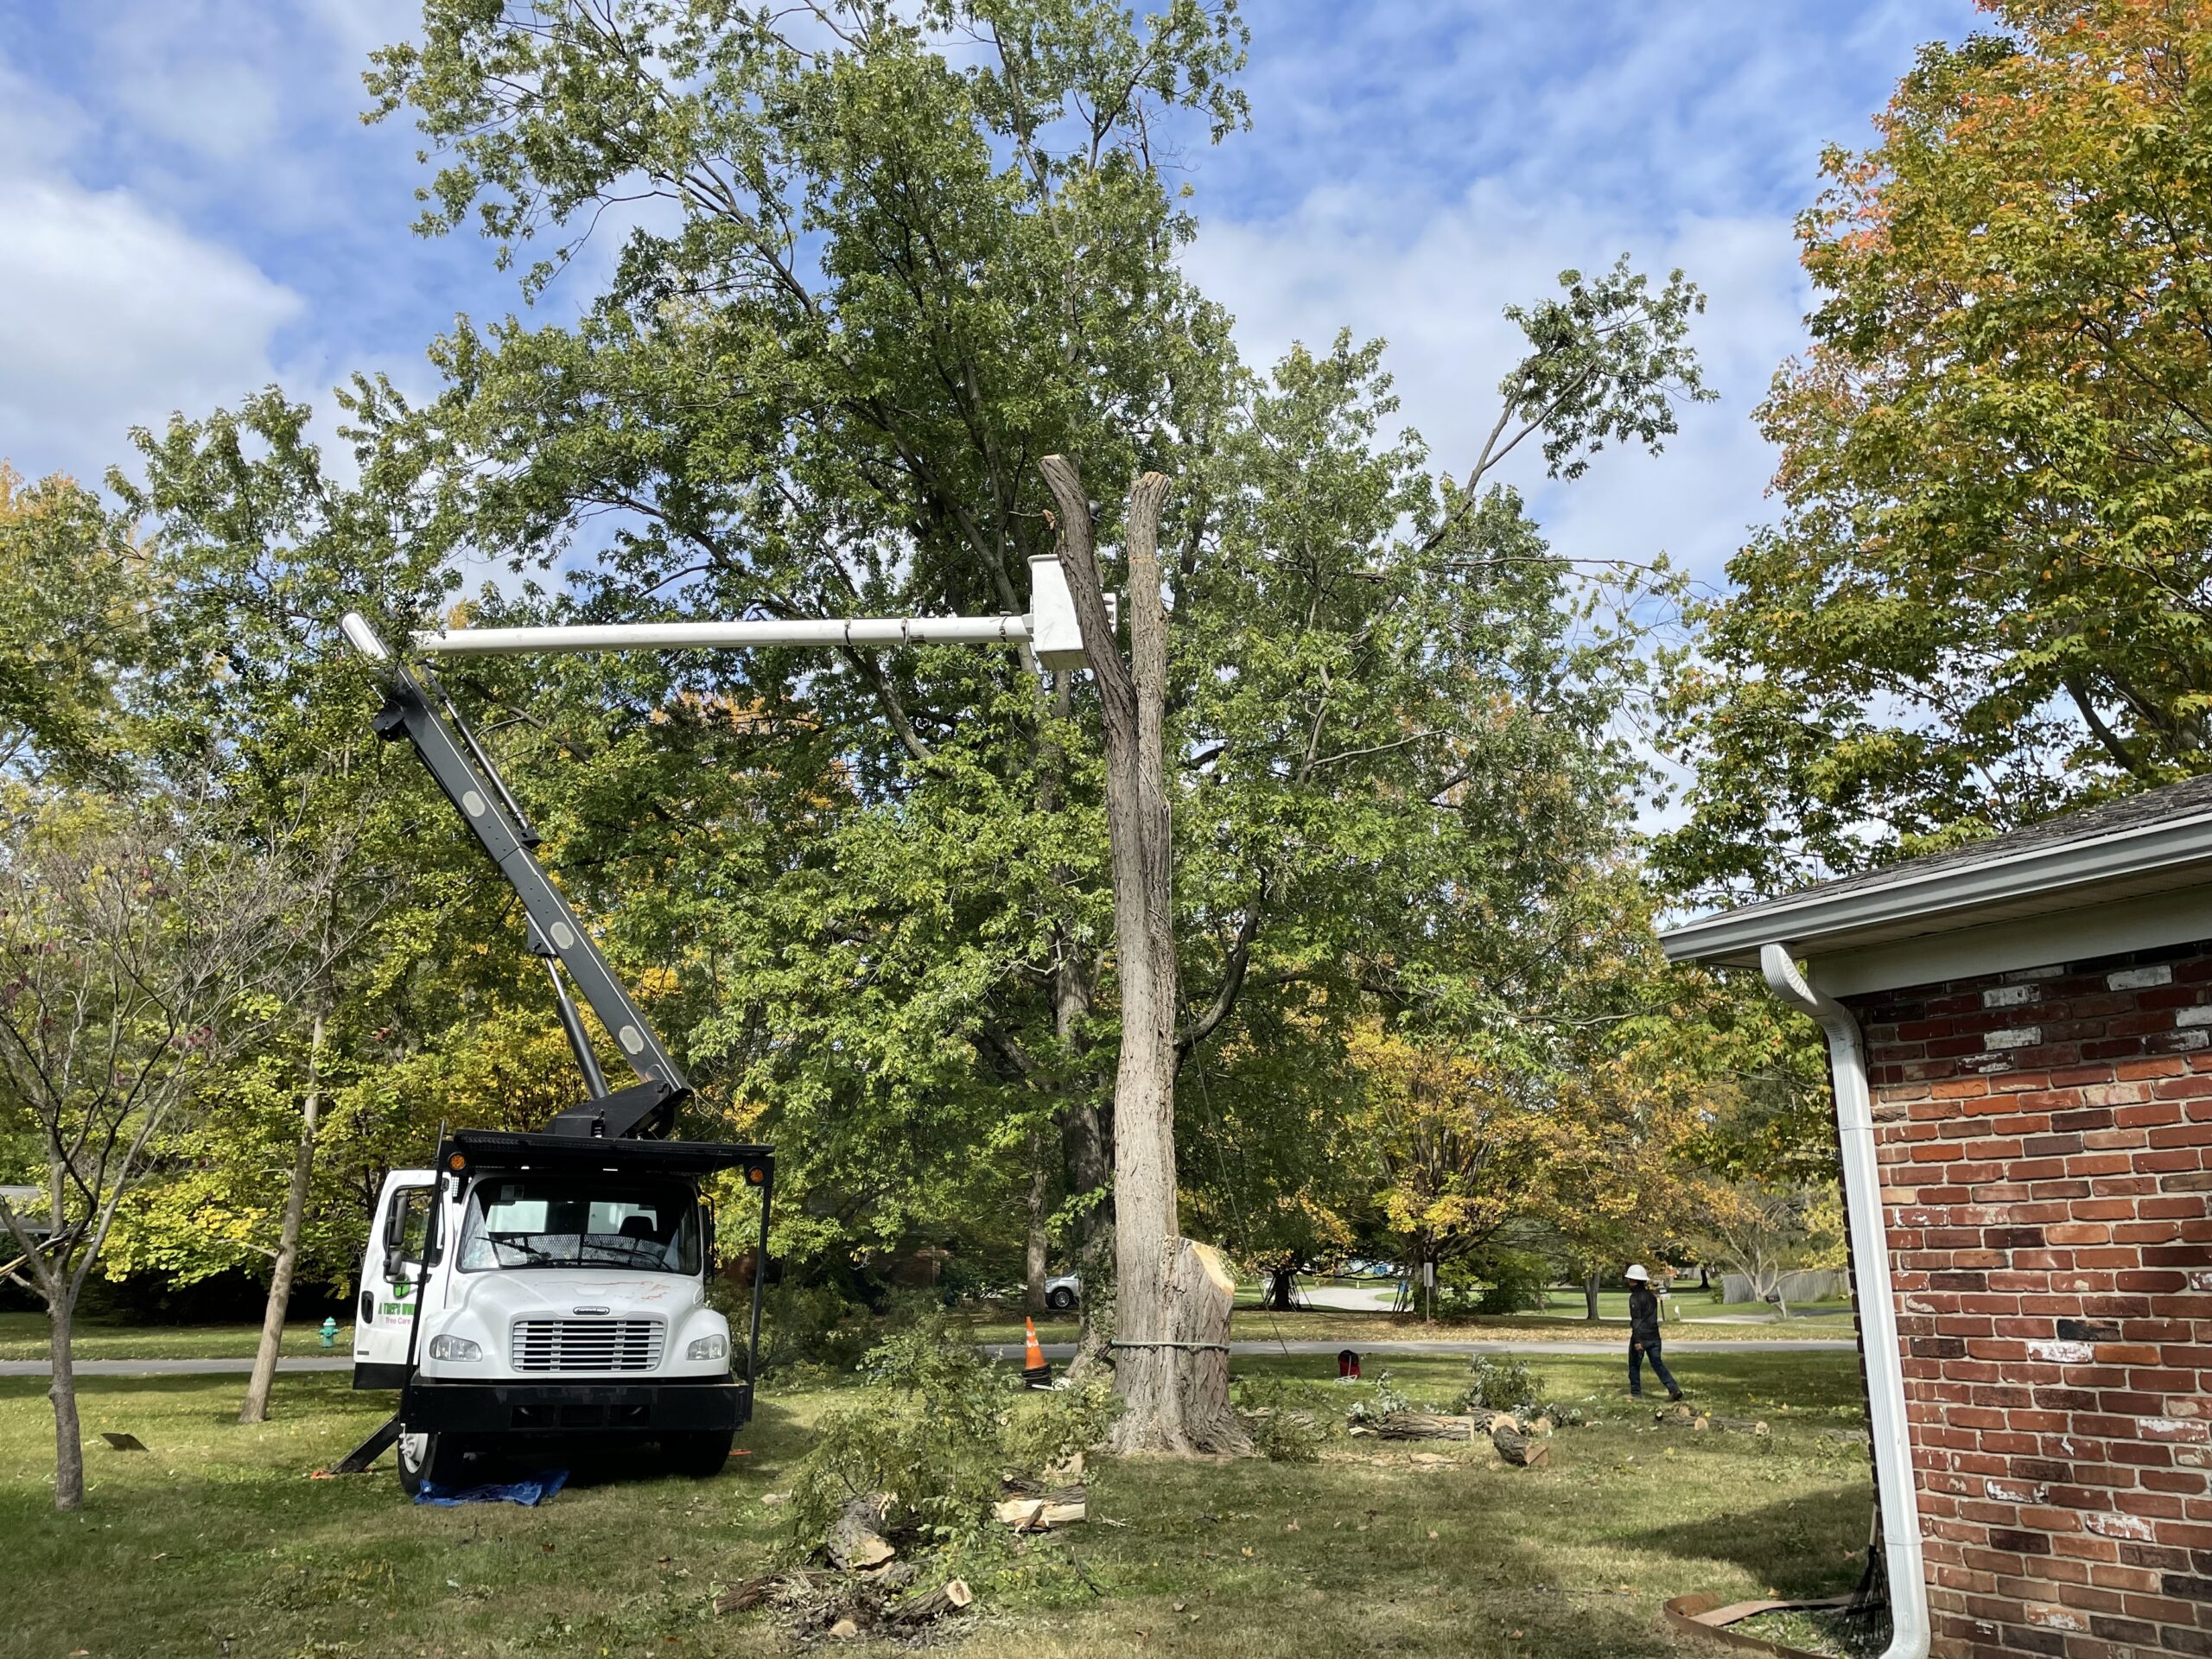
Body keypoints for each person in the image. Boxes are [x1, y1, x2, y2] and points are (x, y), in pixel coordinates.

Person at [1625, 1263, 1683, 1401]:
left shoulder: (1635, 1298)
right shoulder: (1651, 1296)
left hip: (1641, 1336)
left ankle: (1636, 1394)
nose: (1628, 1282)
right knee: (1657, 1364)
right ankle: (1673, 1388)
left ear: (1634, 1281)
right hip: (1655, 1336)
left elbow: (1637, 1321)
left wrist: (1638, 1341)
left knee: (1634, 1365)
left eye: (1629, 1280)